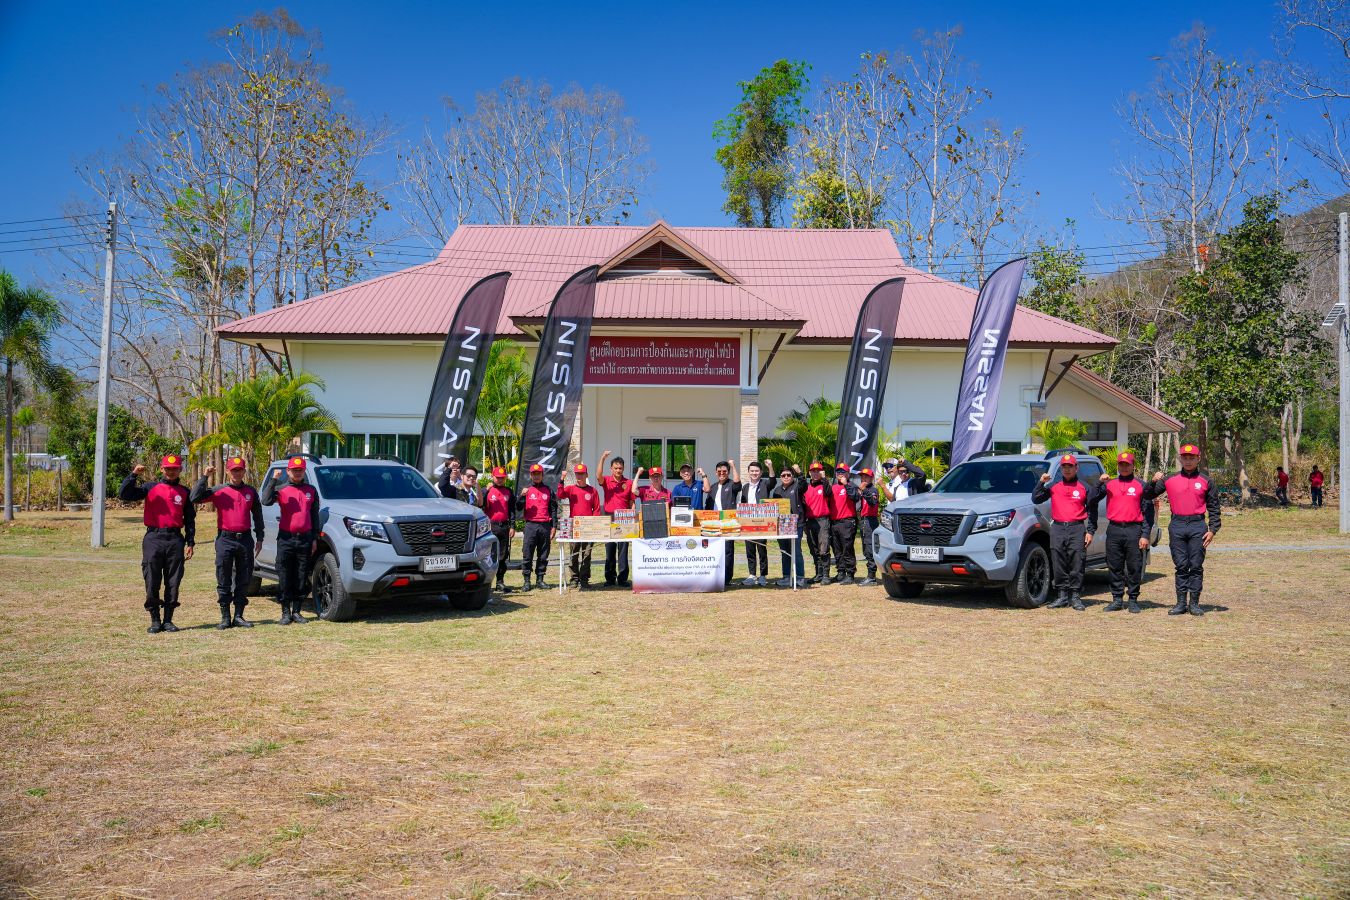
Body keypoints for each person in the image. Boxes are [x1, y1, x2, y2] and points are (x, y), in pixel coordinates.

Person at [119, 454, 196, 634]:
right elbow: (124, 494)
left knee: (173, 581)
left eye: (174, 469)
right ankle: (155, 619)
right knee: (152, 579)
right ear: (162, 469)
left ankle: (168, 620)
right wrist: (133, 475)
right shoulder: (150, 487)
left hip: (175, 539)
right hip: (153, 538)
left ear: (180, 470)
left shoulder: (185, 492)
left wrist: (190, 541)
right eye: (167, 469)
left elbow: (190, 519)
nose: (171, 472)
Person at [1145, 443, 1221, 617]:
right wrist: (1153, 481)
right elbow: (1148, 495)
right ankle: (1180, 603)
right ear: (1180, 459)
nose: (1188, 461)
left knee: (1195, 566)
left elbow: (1214, 508)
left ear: (1198, 459)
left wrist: (1213, 529)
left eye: (1191, 458)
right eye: (1185, 458)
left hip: (1197, 525)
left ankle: (1194, 604)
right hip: (1177, 525)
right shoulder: (1169, 479)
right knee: (1181, 565)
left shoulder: (1206, 481)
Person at [190, 456, 264, 629]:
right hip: (225, 539)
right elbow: (195, 497)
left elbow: (258, 515)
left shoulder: (251, 491)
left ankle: (239, 616)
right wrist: (204, 477)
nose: (237, 473)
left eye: (240, 470)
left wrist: (260, 537)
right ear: (228, 471)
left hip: (245, 539)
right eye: (233, 470)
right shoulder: (219, 490)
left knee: (244, 578)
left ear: (244, 471)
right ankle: (225, 617)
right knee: (223, 577)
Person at [259, 457, 322, 624]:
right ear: (288, 471)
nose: (298, 472)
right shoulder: (281, 489)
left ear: (304, 471)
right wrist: (274, 480)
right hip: (286, 539)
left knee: (301, 575)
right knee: (285, 575)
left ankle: (297, 611)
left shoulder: (311, 490)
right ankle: (285, 612)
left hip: (305, 539)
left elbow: (314, 515)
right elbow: (265, 500)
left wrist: (314, 538)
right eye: (294, 470)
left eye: (300, 470)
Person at [1088, 451, 1149, 614]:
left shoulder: (1141, 485)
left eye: (1127, 464)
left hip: (1133, 529)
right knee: (1114, 565)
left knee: (1134, 566)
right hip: (1114, 529)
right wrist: (1099, 483)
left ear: (1133, 466)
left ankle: (1133, 600)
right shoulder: (1110, 484)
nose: (1124, 467)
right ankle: (1117, 599)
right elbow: (1091, 499)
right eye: (1121, 464)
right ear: (1118, 466)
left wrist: (1145, 535)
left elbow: (1147, 512)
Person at [1032, 454, 1093, 611]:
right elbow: (1036, 498)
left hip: (1076, 528)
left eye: (1070, 466)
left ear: (1076, 468)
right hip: (1058, 528)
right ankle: (1062, 596)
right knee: (1058, 561)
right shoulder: (1054, 486)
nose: (1067, 469)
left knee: (1077, 562)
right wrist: (1041, 482)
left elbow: (1092, 509)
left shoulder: (1084, 487)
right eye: (1064, 466)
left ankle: (1075, 597)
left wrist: (1090, 531)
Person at [558, 464, 600, 589]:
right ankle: (574, 578)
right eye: (577, 474)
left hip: (588, 527)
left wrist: (594, 525)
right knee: (574, 553)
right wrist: (561, 480)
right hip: (574, 526)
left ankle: (584, 579)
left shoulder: (593, 491)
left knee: (587, 554)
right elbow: (560, 495)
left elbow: (596, 509)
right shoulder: (571, 489)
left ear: (586, 475)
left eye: (582, 474)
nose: (579, 476)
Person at [517, 464, 557, 591]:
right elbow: (518, 507)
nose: (536, 476)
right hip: (530, 526)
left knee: (543, 554)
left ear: (542, 475)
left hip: (545, 526)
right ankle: (526, 581)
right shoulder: (527, 490)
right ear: (530, 475)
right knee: (527, 554)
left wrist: (554, 526)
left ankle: (540, 580)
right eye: (534, 474)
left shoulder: (549, 490)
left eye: (538, 474)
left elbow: (553, 510)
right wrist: (521, 496)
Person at [598, 450, 635, 587]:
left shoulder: (629, 482)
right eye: (615, 468)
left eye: (620, 468)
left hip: (624, 517)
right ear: (611, 469)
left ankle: (623, 579)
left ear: (623, 469)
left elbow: (631, 501)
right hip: (609, 517)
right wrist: (603, 458)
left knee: (623, 549)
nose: (618, 470)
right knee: (610, 548)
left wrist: (632, 516)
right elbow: (598, 475)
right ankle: (610, 578)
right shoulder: (607, 480)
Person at [771, 466, 810, 588]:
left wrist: (800, 473)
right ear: (780, 477)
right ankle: (786, 577)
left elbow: (804, 485)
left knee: (796, 551)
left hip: (796, 524)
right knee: (785, 551)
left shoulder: (797, 486)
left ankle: (800, 577)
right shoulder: (777, 490)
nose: (786, 477)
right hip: (782, 525)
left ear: (792, 476)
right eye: (783, 475)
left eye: (789, 475)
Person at [704, 459, 741, 586]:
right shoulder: (713, 487)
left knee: (728, 551)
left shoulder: (732, 484)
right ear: (716, 472)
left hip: (728, 523)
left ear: (728, 472)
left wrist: (733, 465)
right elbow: (708, 504)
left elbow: (738, 484)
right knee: (713, 550)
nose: (722, 473)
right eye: (719, 471)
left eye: (724, 471)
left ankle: (727, 578)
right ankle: (714, 576)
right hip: (713, 523)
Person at [739, 460, 775, 586]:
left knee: (761, 549)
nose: (754, 473)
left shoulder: (765, 484)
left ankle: (763, 575)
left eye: (757, 471)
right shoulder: (745, 487)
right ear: (748, 472)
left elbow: (773, 481)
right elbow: (743, 503)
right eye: (752, 471)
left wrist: (770, 466)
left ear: (761, 472)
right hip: (748, 522)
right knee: (750, 549)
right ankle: (752, 575)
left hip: (762, 521)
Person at [482, 467, 516, 593]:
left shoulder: (509, 491)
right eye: (498, 477)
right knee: (489, 555)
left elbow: (512, 510)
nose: (500, 480)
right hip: (491, 526)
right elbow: (480, 504)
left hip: (504, 526)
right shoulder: (487, 490)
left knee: (502, 555)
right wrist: (485, 490)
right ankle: (486, 583)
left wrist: (512, 526)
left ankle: (500, 582)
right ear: (493, 477)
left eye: (502, 478)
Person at [828, 464, 861, 584]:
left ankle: (850, 573)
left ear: (848, 474)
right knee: (837, 549)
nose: (840, 474)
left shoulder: (852, 485)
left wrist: (846, 484)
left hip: (847, 522)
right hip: (834, 522)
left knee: (847, 548)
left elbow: (855, 497)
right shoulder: (833, 487)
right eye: (838, 472)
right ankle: (841, 572)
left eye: (843, 472)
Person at [801, 462, 833, 583]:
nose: (815, 473)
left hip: (822, 521)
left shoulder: (824, 485)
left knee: (823, 548)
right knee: (814, 549)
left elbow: (829, 493)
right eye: (813, 471)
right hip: (810, 521)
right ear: (809, 473)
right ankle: (818, 574)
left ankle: (826, 575)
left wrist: (824, 479)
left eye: (818, 471)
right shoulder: (806, 488)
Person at [857, 468, 881, 586]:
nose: (864, 478)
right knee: (866, 548)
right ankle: (870, 576)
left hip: (870, 521)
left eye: (866, 476)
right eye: (862, 476)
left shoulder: (873, 490)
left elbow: (872, 502)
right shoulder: (863, 490)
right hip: (864, 520)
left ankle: (871, 577)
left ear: (871, 478)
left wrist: (864, 490)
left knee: (870, 548)